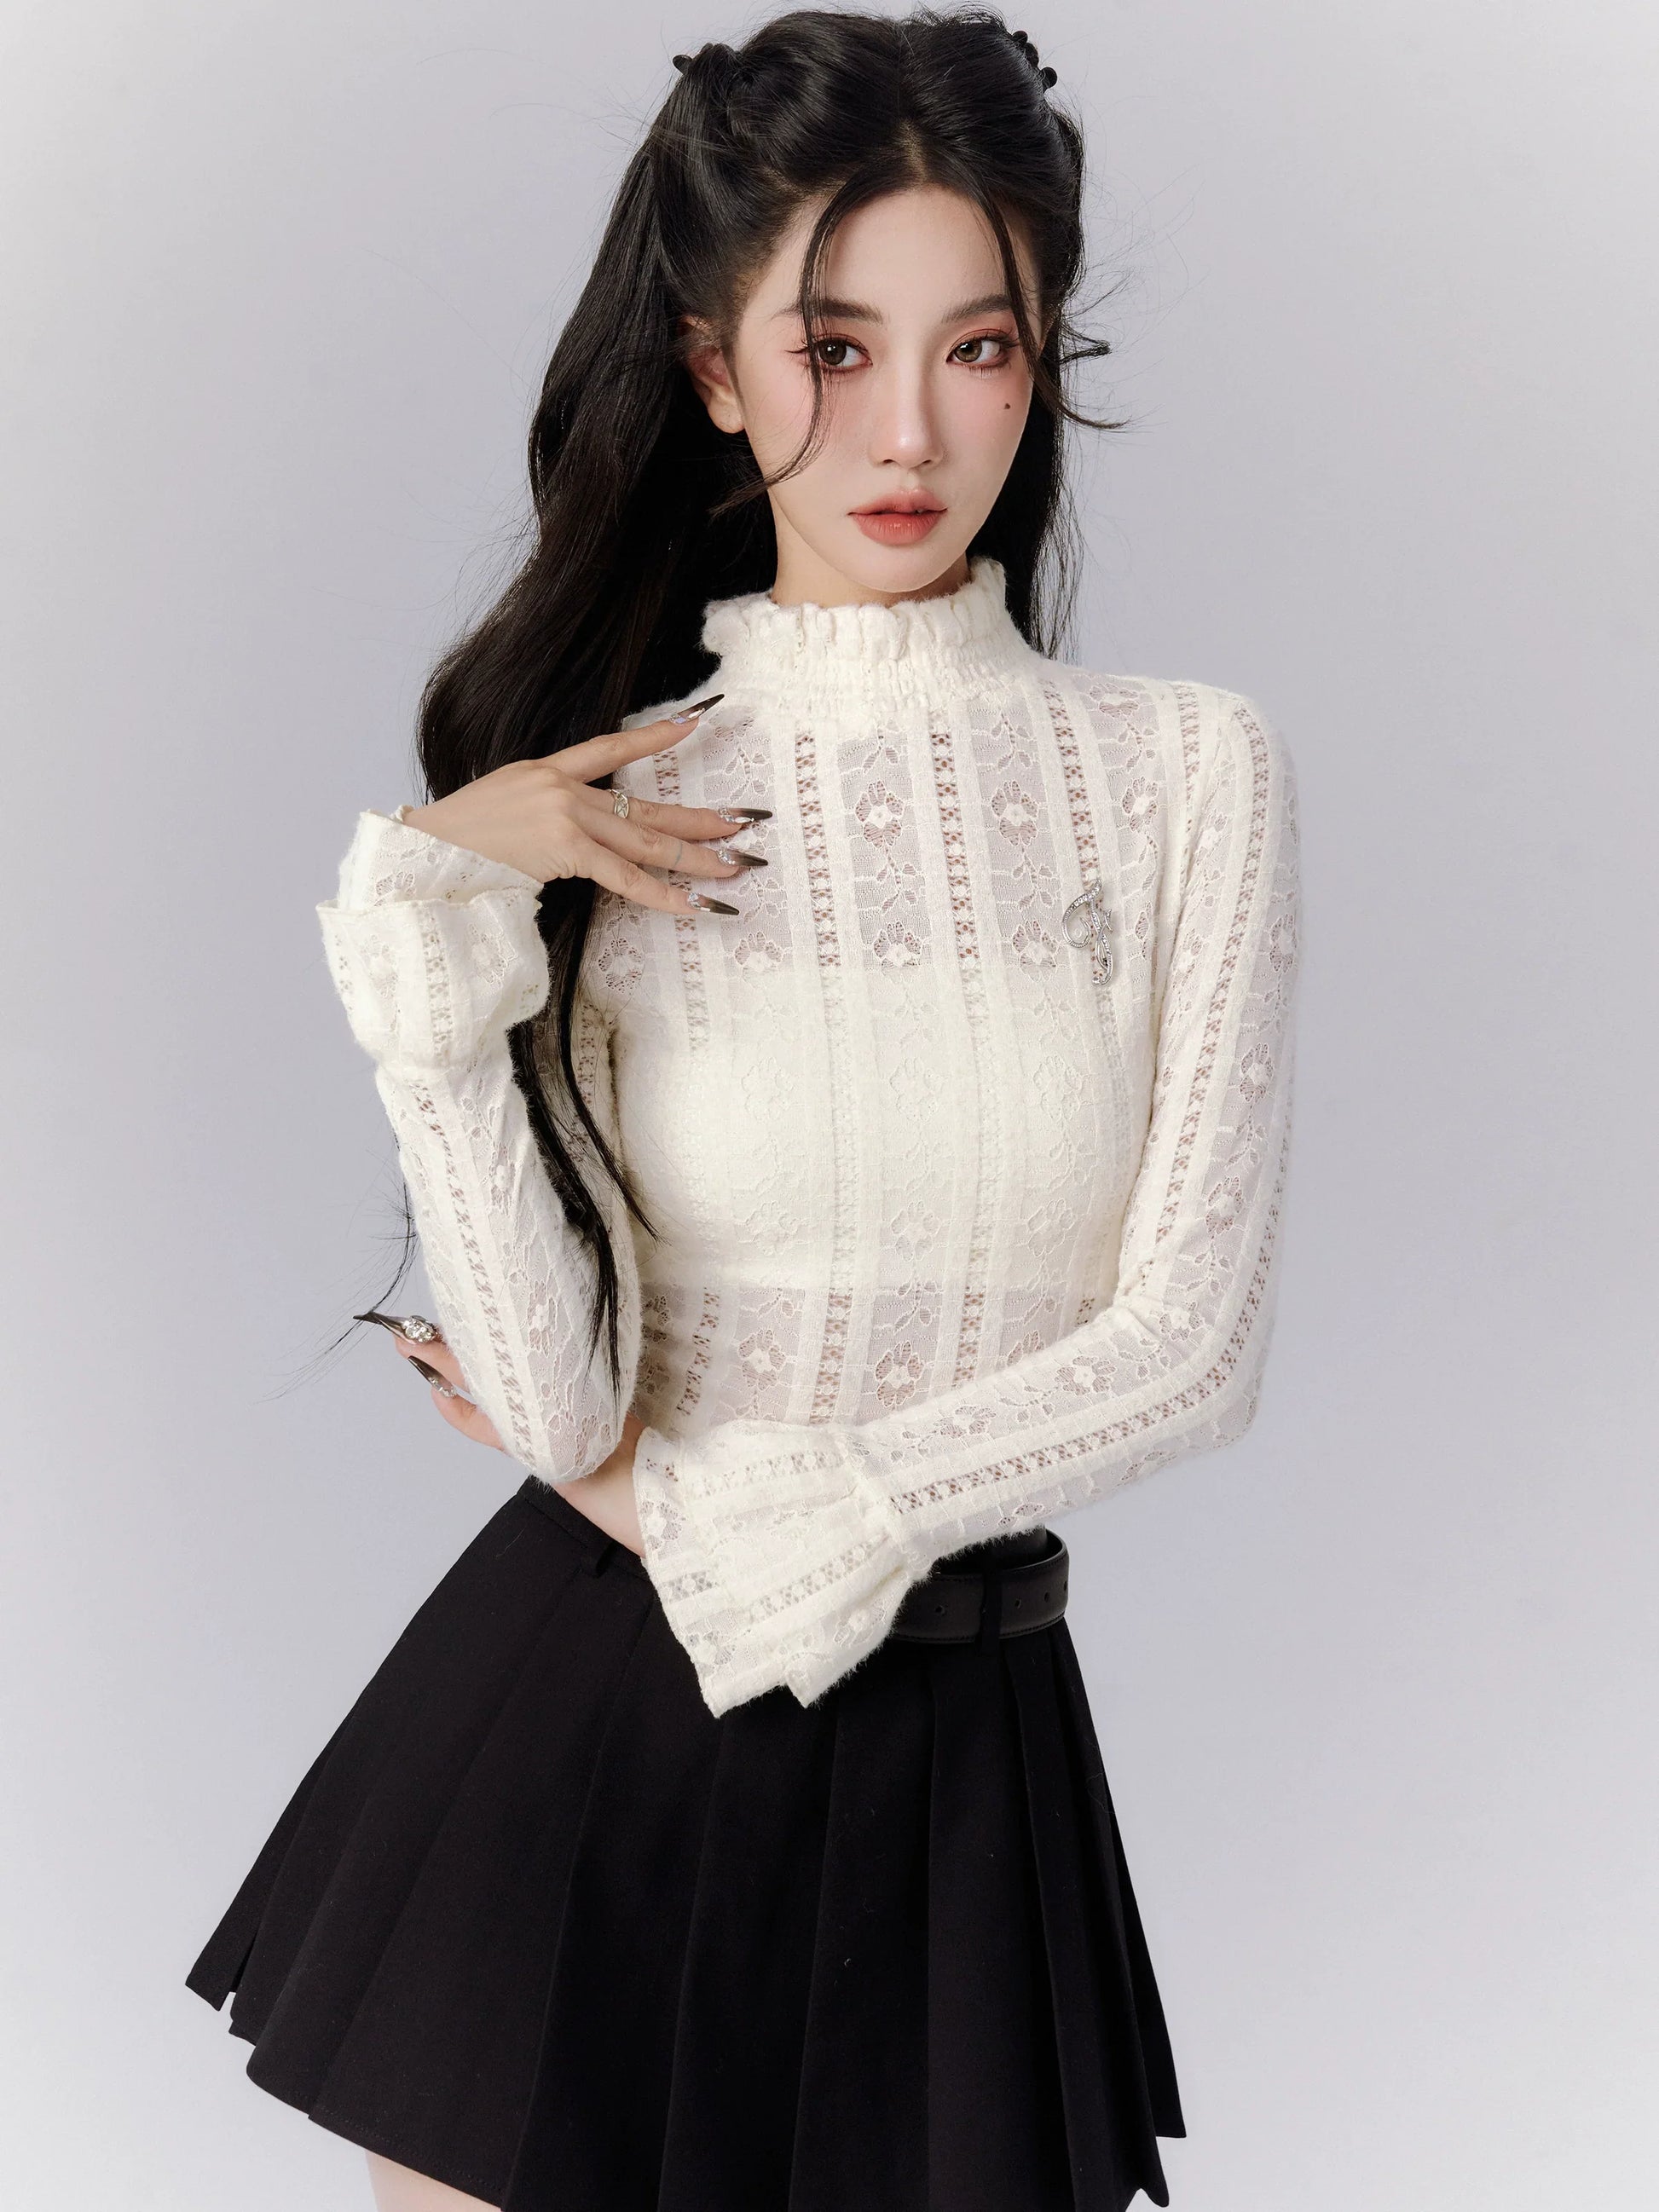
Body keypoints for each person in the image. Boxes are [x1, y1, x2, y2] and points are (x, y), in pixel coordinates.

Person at [185, 11, 1301, 2210]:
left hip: (961, 1763)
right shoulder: (626, 799)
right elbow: (550, 1392)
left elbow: (1191, 1345)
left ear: (1041, 367)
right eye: (832, 346)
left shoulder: (1188, 775)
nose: (908, 431)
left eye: (979, 348)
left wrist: (737, 1524)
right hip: (587, 1739)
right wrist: (432, 947)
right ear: (712, 369)